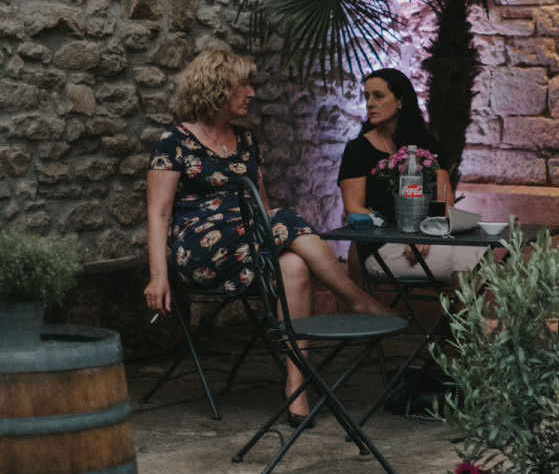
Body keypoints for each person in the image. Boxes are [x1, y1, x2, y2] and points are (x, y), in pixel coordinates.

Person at [144, 49, 400, 424]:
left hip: (249, 242)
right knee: (286, 219)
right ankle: (357, 300)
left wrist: (271, 232)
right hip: (202, 250)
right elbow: (158, 213)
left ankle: (296, 390)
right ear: (218, 88)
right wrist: (158, 276)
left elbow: (262, 208)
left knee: (294, 266)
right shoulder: (174, 141)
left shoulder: (246, 140)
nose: (250, 92)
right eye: (243, 84)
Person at [337, 68, 483, 284]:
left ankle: (461, 318)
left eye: (378, 96)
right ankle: (463, 319)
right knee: (471, 261)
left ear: (400, 100)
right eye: (367, 96)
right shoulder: (357, 150)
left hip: (429, 238)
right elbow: (353, 208)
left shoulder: (427, 145)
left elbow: (444, 199)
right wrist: (405, 234)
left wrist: (425, 233)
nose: (369, 103)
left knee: (476, 253)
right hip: (380, 247)